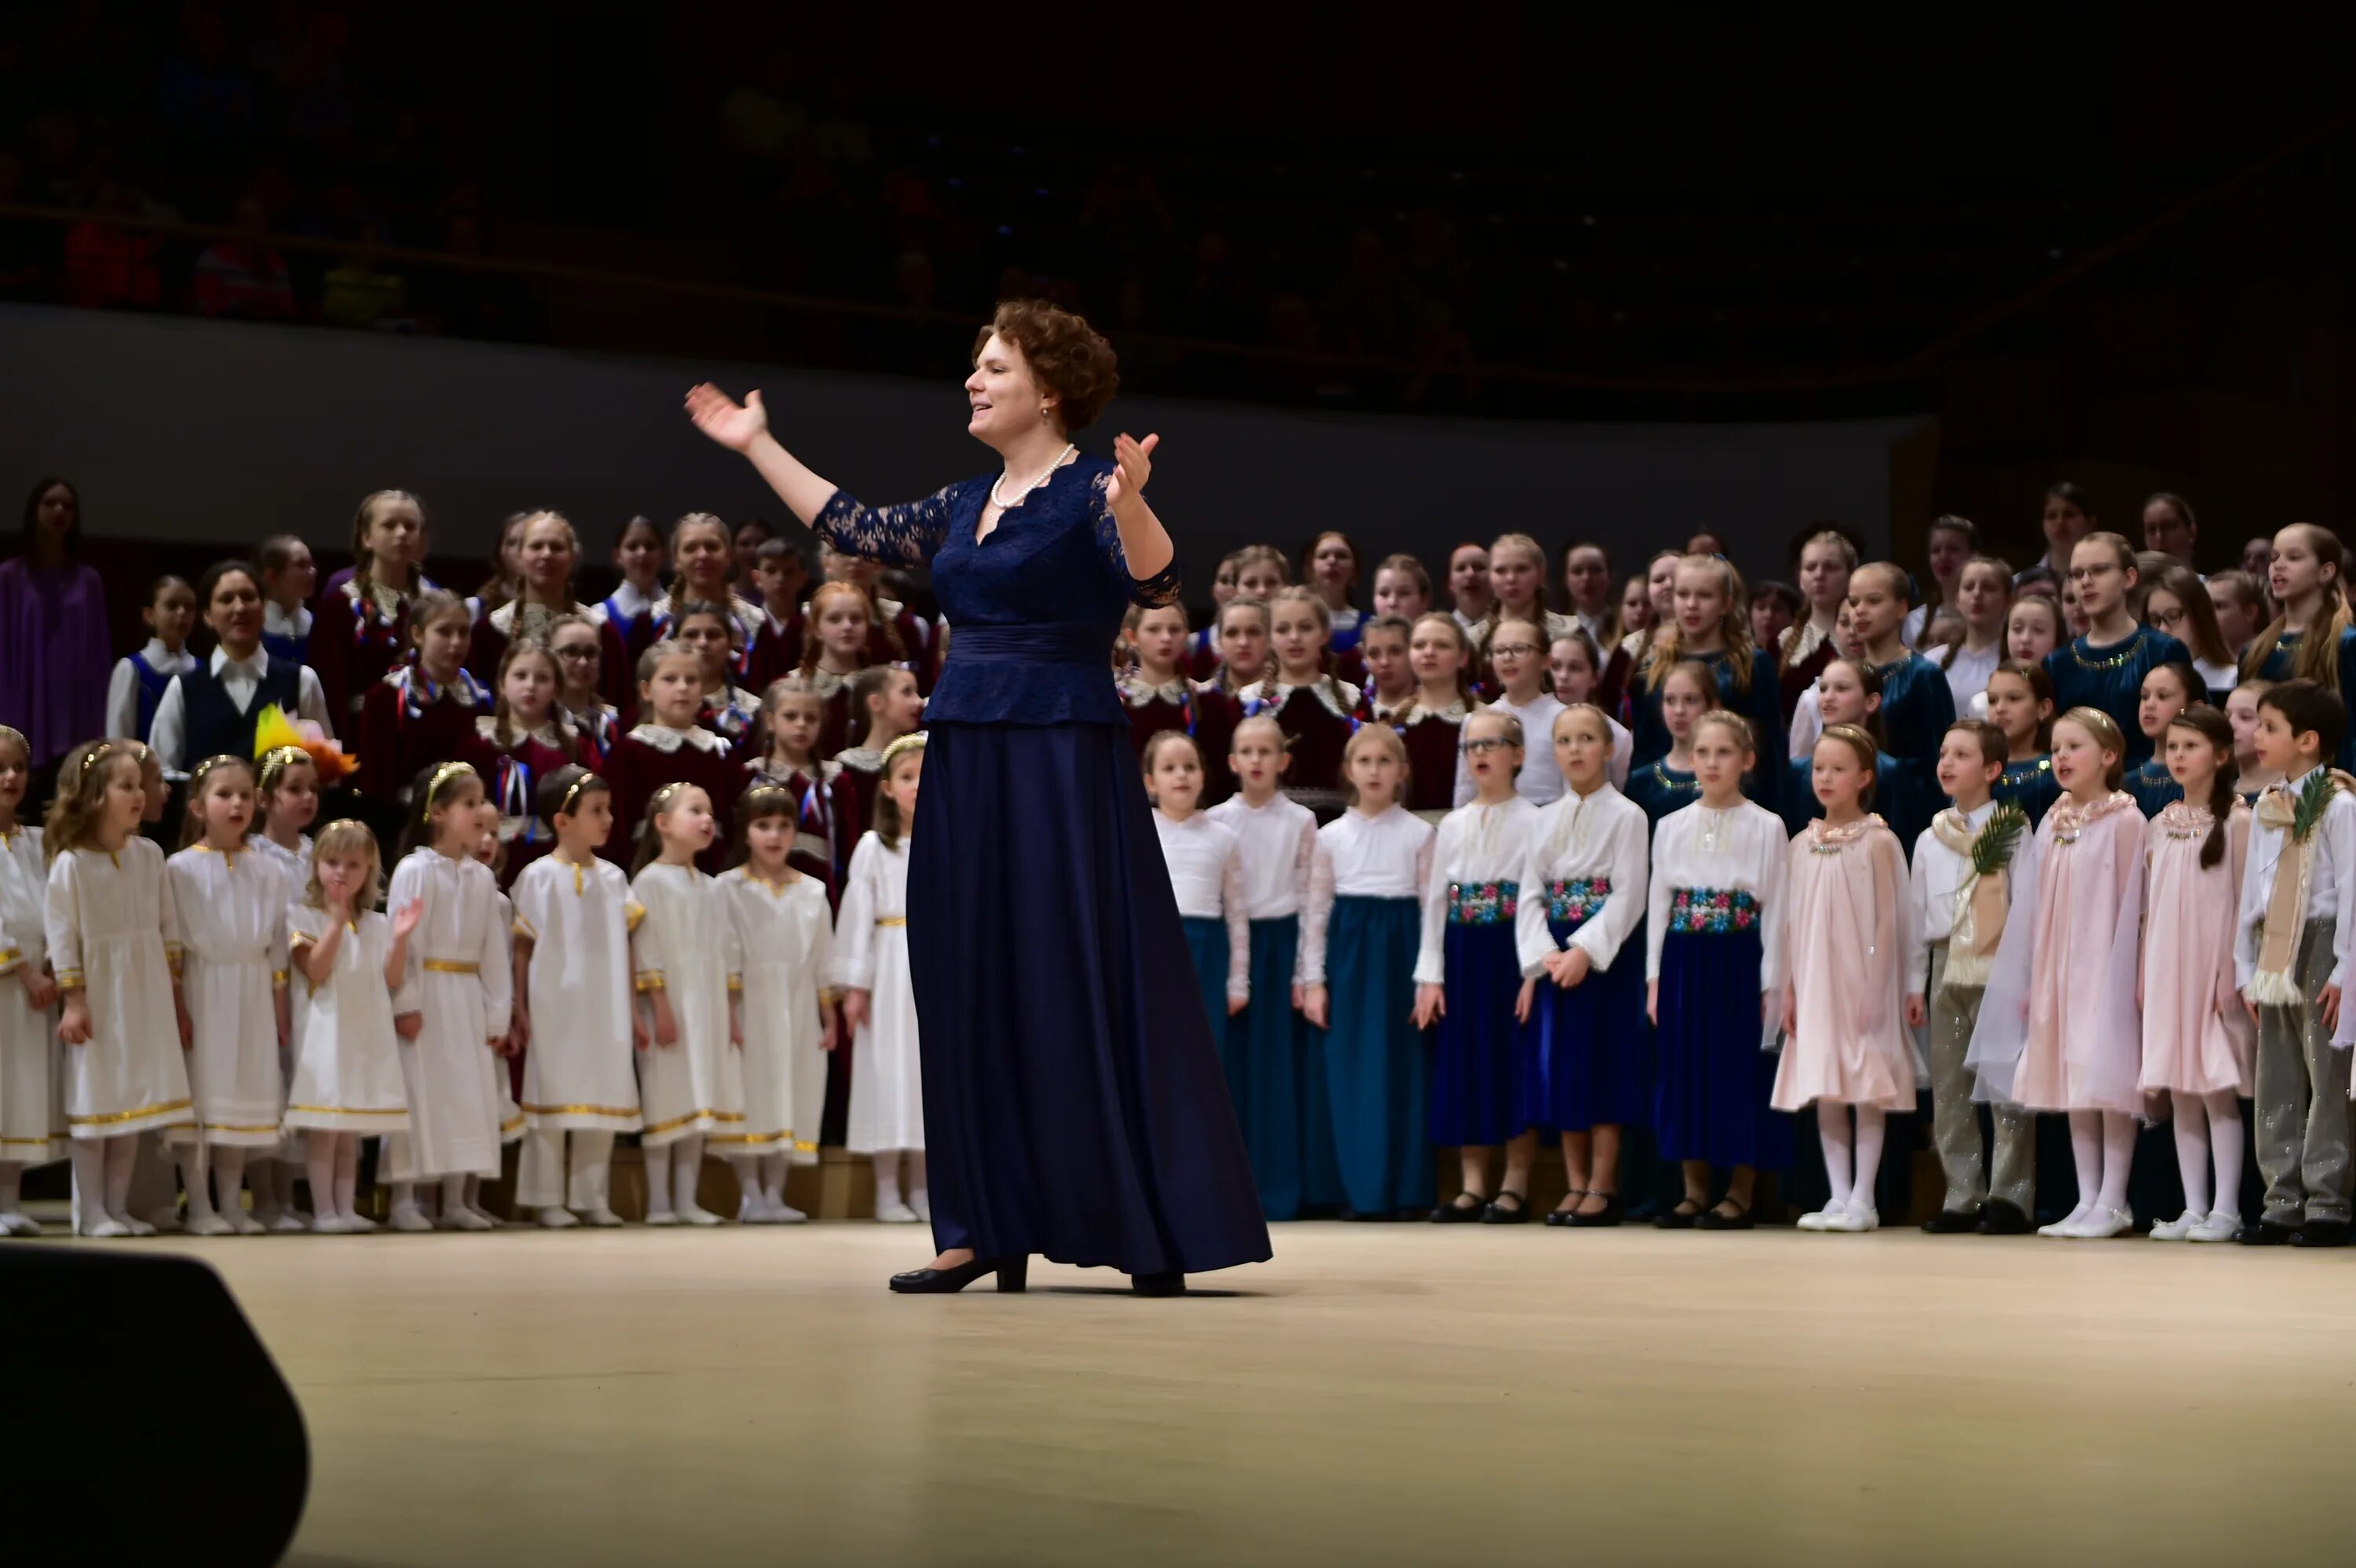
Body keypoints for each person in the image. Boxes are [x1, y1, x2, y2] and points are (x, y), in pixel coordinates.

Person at [688, 300, 1268, 1293]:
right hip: (967, 750)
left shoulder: (1093, 487)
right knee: (966, 976)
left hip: (1061, 754)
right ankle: (978, 1226)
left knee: (1075, 968)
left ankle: (1135, 1221)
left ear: (1048, 389)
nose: (974, 380)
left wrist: (1131, 497)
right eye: (975, 365)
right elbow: (854, 523)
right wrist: (757, 444)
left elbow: (1161, 584)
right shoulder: (963, 502)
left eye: (992, 366)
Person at [1966, 708, 2146, 1240]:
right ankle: (2087, 1196)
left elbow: (2135, 902)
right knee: (2071, 1078)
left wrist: (2128, 971)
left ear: (2109, 756)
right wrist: (2028, 977)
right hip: (2059, 968)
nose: (2061, 757)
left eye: (2074, 746)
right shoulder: (2054, 819)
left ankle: (2115, 1199)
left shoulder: (2127, 820)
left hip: (2105, 966)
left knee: (2106, 1081)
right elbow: (2033, 905)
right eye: (2057, 748)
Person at [43, 742, 195, 1237]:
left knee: (133, 1102)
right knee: (97, 1103)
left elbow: (168, 928)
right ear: (93, 796)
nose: (138, 795)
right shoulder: (72, 865)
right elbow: (62, 936)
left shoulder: (149, 855)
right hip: (100, 995)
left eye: (139, 785)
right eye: (125, 786)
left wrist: (172, 994)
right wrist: (74, 998)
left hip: (145, 989)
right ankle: (90, 1212)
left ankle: (117, 1206)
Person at [1646, 711, 1787, 1230]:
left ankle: (1740, 1189)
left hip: (1738, 955)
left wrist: (1771, 982)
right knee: (1685, 1068)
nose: (1710, 762)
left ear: (1746, 760)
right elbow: (1660, 904)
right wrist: (1655, 979)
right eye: (1702, 752)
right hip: (1685, 956)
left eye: (1723, 752)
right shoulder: (1671, 825)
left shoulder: (1767, 825)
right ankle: (1693, 1188)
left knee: (1737, 1070)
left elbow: (1776, 909)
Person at [1776, 727, 1919, 1234]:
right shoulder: (1800, 844)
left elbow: (1891, 919)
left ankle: (1864, 1197)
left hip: (1862, 981)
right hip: (1816, 982)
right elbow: (1792, 922)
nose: (1826, 778)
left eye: (1838, 769)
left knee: (1866, 1084)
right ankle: (1837, 1195)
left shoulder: (1878, 841)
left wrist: (1882, 983)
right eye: (1819, 768)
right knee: (1827, 1085)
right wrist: (1790, 987)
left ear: (1864, 778)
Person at [1514, 704, 1648, 1226]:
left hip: (1602, 956)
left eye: (1586, 738)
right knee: (1564, 1068)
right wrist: (1543, 951)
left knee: (1603, 1065)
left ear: (1609, 748)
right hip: (1557, 951)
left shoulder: (1628, 815)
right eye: (1565, 740)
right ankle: (1574, 1183)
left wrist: (1585, 951)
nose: (1576, 749)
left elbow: (1629, 893)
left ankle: (1603, 1183)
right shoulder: (1543, 816)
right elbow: (1530, 891)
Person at [2233, 679, 2356, 1246]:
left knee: (2325, 1074)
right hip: (2274, 942)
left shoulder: (2340, 805)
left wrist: (2344, 969)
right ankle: (2281, 1199)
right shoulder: (2268, 807)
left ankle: (2327, 1200)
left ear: (2308, 740)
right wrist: (2245, 966)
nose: (2258, 736)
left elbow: (2353, 889)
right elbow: (2253, 892)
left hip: (2323, 940)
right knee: (2276, 1071)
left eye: (2270, 727)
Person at [1908, 721, 2039, 1234]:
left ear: (1991, 769)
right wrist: (1913, 984)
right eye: (1943, 753)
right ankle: (1962, 1192)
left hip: (1998, 964)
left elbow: (2027, 906)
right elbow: (1919, 915)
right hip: (1945, 964)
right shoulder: (1929, 837)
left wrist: (2025, 979)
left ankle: (2011, 1194)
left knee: (2003, 1080)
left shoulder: (2013, 829)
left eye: (1961, 754)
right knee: (1950, 1083)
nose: (1946, 762)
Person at [1300, 725, 1435, 1221]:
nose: (1375, 770)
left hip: (1401, 954)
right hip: (1350, 954)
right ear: (1348, 770)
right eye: (1365, 761)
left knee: (1400, 1071)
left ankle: (1404, 1191)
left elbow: (1430, 909)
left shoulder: (1421, 833)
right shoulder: (1330, 836)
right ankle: (1356, 1190)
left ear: (1401, 771)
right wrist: (1313, 980)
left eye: (1385, 761)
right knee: (1352, 1071)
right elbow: (1316, 911)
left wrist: (1428, 977)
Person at [1417, 709, 1542, 1223]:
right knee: (1467, 1061)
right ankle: (1472, 1184)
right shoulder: (1452, 823)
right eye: (1472, 745)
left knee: (1513, 1062)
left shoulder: (1537, 819)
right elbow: (1435, 903)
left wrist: (1533, 971)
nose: (1481, 754)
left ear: (1518, 754)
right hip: (1463, 948)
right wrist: (1430, 974)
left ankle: (1514, 1183)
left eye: (1493, 743)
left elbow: (1537, 899)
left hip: (1510, 950)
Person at [1207, 716, 1330, 1219]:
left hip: (1281, 944)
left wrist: (1304, 972)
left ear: (1283, 761)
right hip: (1229, 945)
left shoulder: (1300, 821)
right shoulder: (1216, 819)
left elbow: (1309, 897)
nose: (1257, 761)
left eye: (1267, 752)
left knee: (1277, 1071)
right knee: (1230, 1069)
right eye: (1247, 752)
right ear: (1233, 762)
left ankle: (1281, 1189)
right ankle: (1230, 1190)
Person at [382, 762, 514, 1234]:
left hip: (467, 998)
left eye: (481, 802)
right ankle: (404, 1198)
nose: (480, 812)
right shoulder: (415, 870)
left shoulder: (481, 878)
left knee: (465, 1094)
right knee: (421, 1093)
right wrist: (406, 1002)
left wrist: (498, 1013)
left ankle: (456, 1198)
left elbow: (493, 953)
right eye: (469, 803)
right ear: (437, 813)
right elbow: (403, 944)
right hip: (429, 1000)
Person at [2139, 707, 2254, 1242]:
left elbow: (2242, 904)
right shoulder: (2159, 824)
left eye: (2191, 745)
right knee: (2181, 1088)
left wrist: (2230, 971)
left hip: (2212, 970)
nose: (2179, 755)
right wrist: (2145, 971)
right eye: (2174, 746)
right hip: (2168, 968)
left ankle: (2227, 1208)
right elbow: (2150, 907)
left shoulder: (2238, 820)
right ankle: (2194, 1206)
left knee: (2214, 1086)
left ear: (2222, 754)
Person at [508, 768, 640, 1230]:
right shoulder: (537, 876)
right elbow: (522, 948)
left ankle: (591, 1196)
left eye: (608, 809)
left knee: (601, 1094)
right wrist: (519, 1006)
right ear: (563, 820)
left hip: (605, 1005)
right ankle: (544, 1197)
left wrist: (634, 1007)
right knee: (550, 1099)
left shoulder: (615, 878)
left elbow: (627, 947)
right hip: (554, 1005)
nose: (608, 819)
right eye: (596, 811)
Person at [165, 757, 287, 1236]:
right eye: (223, 795)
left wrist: (279, 1010)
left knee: (241, 1093)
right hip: (203, 985)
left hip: (252, 988)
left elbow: (278, 943)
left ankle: (234, 1204)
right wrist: (178, 1005)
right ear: (197, 806)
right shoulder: (179, 868)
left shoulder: (270, 870)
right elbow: (172, 945)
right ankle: (199, 1204)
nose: (237, 803)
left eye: (245, 794)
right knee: (204, 1096)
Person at [283, 821, 416, 1234]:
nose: (341, 872)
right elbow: (316, 969)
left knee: (349, 1134)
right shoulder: (303, 915)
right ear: (316, 865)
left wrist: (399, 939)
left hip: (363, 1034)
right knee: (325, 1130)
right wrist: (337, 922)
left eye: (353, 864)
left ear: (369, 870)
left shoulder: (375, 924)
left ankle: (345, 1208)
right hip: (325, 1037)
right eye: (332, 862)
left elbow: (391, 979)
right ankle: (324, 1210)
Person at [719, 780, 838, 1223]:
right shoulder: (728, 888)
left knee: (794, 1090)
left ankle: (775, 1192)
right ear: (746, 832)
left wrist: (829, 1016)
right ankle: (749, 1193)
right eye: (763, 825)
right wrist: (729, 1015)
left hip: (799, 1003)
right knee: (752, 1093)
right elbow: (726, 954)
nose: (774, 836)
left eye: (784, 826)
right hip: (752, 1001)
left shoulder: (812, 890)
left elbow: (823, 957)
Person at [627, 783, 741, 1226]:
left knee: (698, 1101)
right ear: (663, 825)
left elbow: (728, 951)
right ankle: (658, 1202)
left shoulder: (713, 888)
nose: (707, 819)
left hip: (707, 1005)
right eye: (695, 810)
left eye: (710, 812)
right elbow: (647, 948)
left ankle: (686, 1199)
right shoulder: (649, 881)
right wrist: (661, 1005)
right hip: (669, 1006)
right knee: (666, 1097)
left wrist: (729, 1016)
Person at [152, 561, 335, 779]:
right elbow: (162, 773)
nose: (239, 608)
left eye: (248, 597)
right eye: (226, 599)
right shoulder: (184, 688)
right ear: (208, 616)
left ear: (264, 608)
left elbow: (327, 771)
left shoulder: (302, 679)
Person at [1630, 554, 1783, 813]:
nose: (1691, 605)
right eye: (1683, 594)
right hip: (1663, 799)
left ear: (1725, 604)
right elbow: (1645, 748)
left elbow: (1772, 751)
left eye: (1704, 596)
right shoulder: (1655, 667)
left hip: (1738, 800)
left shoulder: (1752, 664)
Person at [0, 478, 111, 795]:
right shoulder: (9, 577)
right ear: (33, 511)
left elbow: (99, 656)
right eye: (50, 503)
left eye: (68, 505)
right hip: (22, 701)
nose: (59, 510)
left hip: (71, 706)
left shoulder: (88, 581)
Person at [2046, 535, 2192, 767]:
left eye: (2099, 570)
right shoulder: (2057, 663)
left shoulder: (2163, 650)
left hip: (2152, 787)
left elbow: (2193, 732)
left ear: (2129, 577)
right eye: (2076, 574)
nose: (2085, 581)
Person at [602, 641, 742, 872]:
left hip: (710, 870)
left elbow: (734, 820)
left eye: (691, 680)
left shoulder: (719, 750)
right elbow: (616, 825)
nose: (683, 688)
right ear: (646, 690)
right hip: (647, 868)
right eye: (670, 679)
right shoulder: (630, 751)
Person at [0, 726, 60, 1234]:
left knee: (19, 1088)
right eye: (0, 767)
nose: (11, 776)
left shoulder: (36, 842)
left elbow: (53, 910)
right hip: (6, 979)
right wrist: (21, 968)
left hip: (34, 986)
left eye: (18, 766)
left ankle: (10, 1199)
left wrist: (54, 968)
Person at [356, 590, 488, 811]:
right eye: (444, 632)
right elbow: (376, 783)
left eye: (464, 632)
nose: (456, 642)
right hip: (407, 819)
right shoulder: (387, 696)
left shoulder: (480, 698)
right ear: (417, 635)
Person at [2239, 523, 2356, 769]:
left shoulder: (2345, 644)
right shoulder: (2254, 651)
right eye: (2274, 557)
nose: (2278, 565)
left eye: (2294, 557)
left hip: (2327, 789)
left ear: (2326, 571)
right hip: (2264, 788)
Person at [314, 489, 432, 729]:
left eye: (410, 526)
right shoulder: (341, 606)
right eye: (389, 525)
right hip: (363, 734)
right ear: (366, 537)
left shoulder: (433, 604)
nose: (401, 533)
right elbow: (331, 691)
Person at [103, 576, 197, 745]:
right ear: (149, 615)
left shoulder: (202, 670)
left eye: (189, 607)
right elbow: (118, 741)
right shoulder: (132, 669)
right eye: (172, 606)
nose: (182, 613)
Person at [1625, 660, 1714, 829]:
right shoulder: (1641, 781)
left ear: (1712, 706)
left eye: (1690, 700)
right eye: (1670, 700)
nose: (1679, 710)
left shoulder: (1725, 777)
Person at [1399, 613, 1472, 818]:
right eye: (1419, 645)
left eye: (1442, 645)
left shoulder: (1482, 719)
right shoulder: (1394, 722)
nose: (1429, 653)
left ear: (1463, 657)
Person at [1780, 529, 1856, 724]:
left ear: (1850, 575)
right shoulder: (1784, 641)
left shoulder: (1862, 637)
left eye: (1830, 567)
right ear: (1800, 578)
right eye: (1811, 567)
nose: (1819, 575)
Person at [1985, 660, 2062, 827]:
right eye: (1992, 700)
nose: (2000, 708)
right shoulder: (1980, 770)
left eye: (2013, 698)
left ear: (2043, 708)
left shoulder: (2058, 771)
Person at [2142, 565, 2237, 699]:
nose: (2162, 629)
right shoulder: (2141, 679)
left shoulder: (2230, 679)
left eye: (2173, 616)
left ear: (2199, 616)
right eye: (2155, 619)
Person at [1934, 556, 2010, 718]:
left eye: (1988, 588)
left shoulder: (2016, 660)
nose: (1977, 594)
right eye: (1969, 587)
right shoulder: (1933, 661)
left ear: (2008, 600)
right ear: (1957, 600)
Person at [2124, 663, 2197, 817]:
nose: (2149, 705)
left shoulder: (2201, 779)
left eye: (2163, 696)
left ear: (2194, 707)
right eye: (2145, 697)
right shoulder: (2128, 784)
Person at [255, 535, 316, 666]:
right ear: (272, 576)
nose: (313, 572)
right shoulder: (254, 626)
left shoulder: (318, 624)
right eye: (301, 565)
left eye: (311, 565)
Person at [2141, 492, 2199, 566]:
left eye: (2169, 527)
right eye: (2151, 529)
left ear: (2192, 532)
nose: (2159, 537)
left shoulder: (2214, 578)